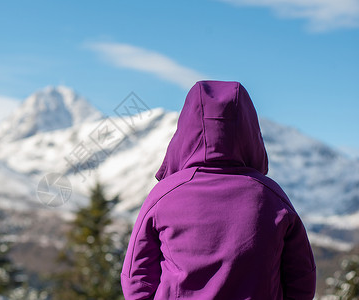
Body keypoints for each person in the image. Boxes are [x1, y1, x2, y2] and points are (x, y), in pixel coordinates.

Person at [121, 81, 316, 299]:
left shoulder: (164, 195)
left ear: (186, 128)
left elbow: (136, 278)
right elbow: (302, 277)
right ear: (250, 131)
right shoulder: (271, 196)